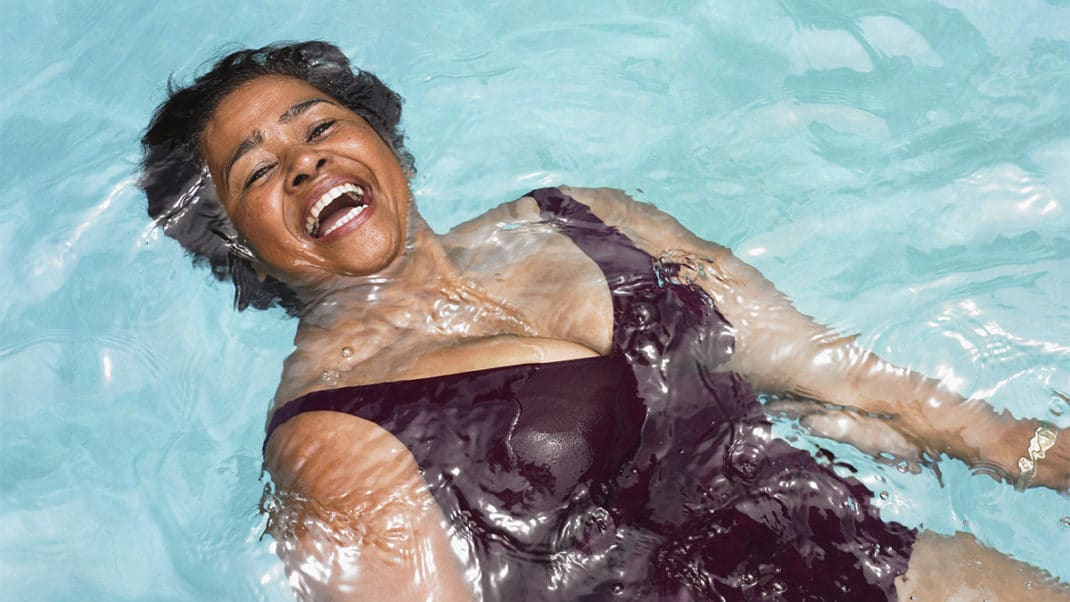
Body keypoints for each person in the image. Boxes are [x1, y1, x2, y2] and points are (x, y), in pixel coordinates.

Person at [141, 41, 1069, 601]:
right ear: (235, 241)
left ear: (382, 140)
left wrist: (1030, 452)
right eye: (257, 172)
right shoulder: (334, 439)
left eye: (318, 126)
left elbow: (844, 372)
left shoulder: (580, 217)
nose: (304, 164)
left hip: (860, 550)